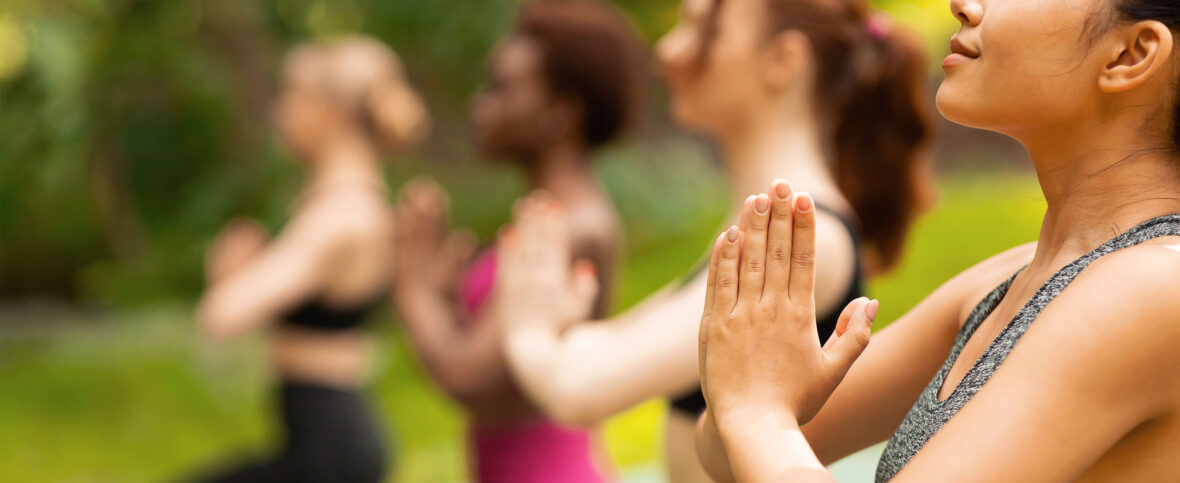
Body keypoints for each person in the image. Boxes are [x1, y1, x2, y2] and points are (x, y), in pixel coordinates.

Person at [691, 0, 1180, 480]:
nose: (963, 6)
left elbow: (754, 429)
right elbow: (725, 456)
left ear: (1130, 54)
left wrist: (757, 413)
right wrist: (754, 392)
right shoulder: (1015, 276)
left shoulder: (1152, 288)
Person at [488, 0, 935, 479]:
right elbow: (602, 352)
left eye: (703, 29)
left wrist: (527, 329)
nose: (669, 50)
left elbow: (575, 388)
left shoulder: (803, 237)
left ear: (783, 60)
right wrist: (557, 333)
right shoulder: (763, 226)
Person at [388, 1, 645, 481]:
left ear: (561, 111)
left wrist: (411, 287)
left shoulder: (570, 225)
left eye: (501, 89)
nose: (479, 105)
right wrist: (442, 300)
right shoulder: (547, 214)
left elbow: (465, 376)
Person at [193, 37, 428, 482]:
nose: (280, 112)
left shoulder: (340, 217)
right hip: (326, 443)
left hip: (331, 453)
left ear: (331, 110)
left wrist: (227, 277)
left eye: (291, 96)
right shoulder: (347, 204)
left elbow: (222, 315)